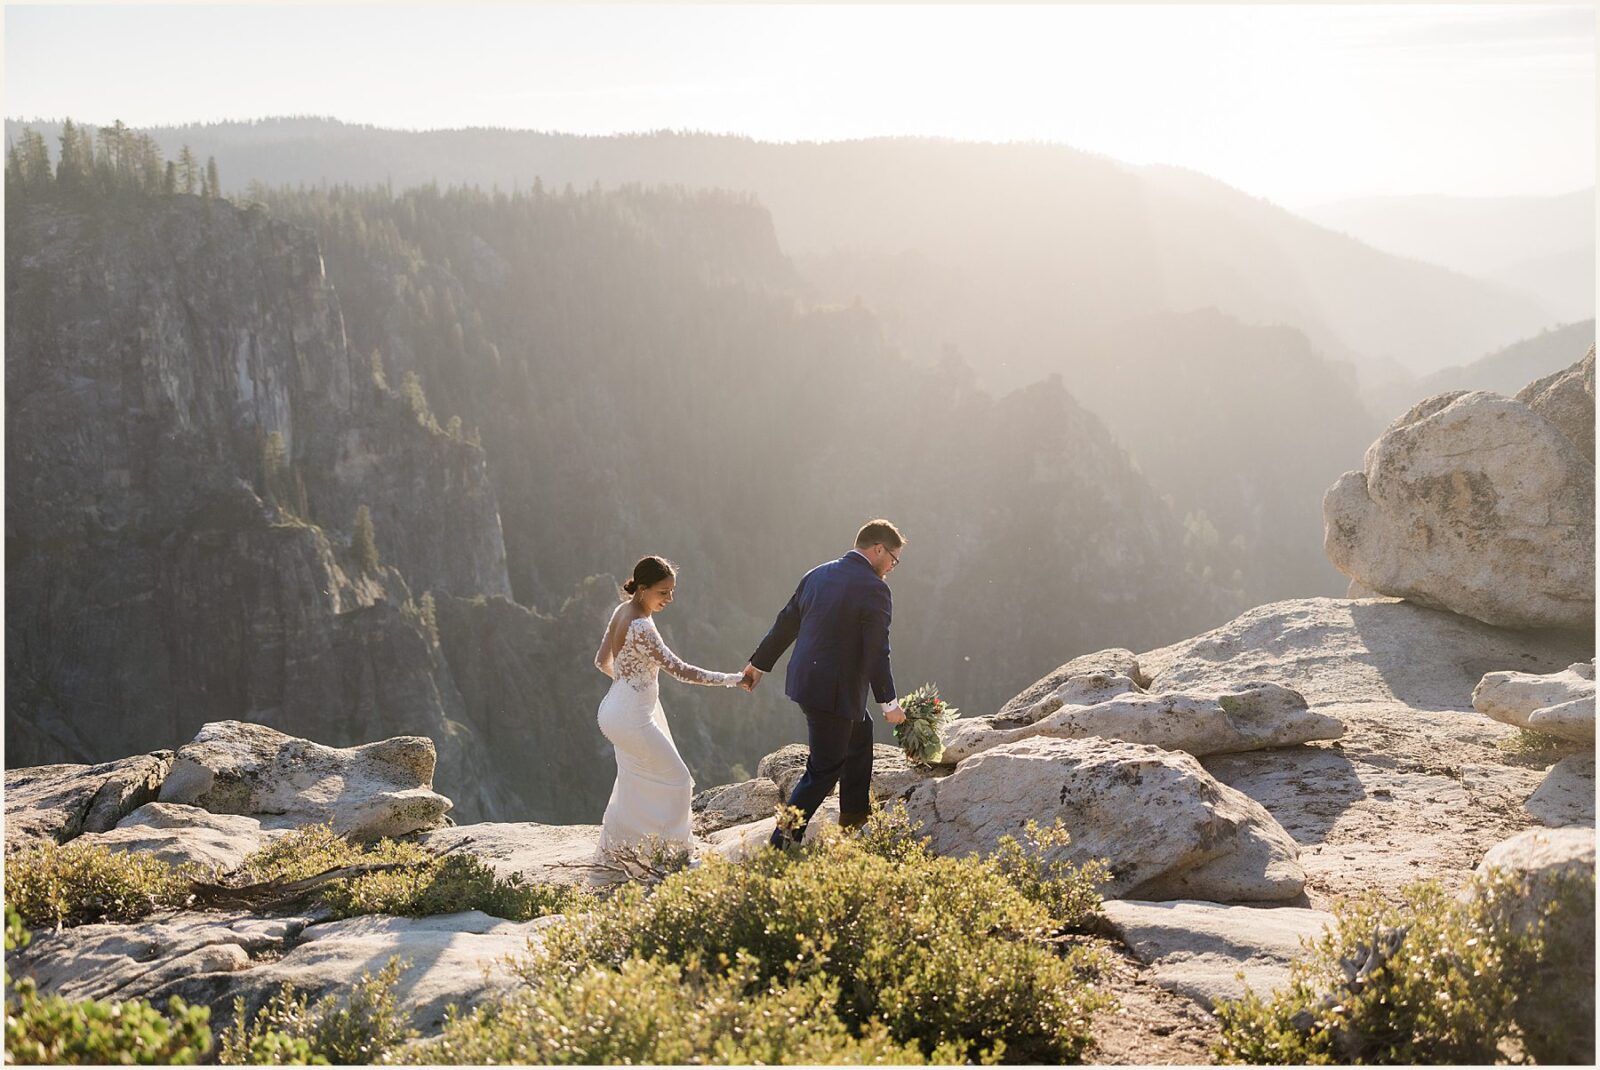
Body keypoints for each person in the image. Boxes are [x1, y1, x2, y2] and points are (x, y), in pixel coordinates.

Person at [742, 520, 908, 848]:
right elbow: (877, 649)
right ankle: (780, 844)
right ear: (878, 549)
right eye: (893, 559)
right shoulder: (875, 589)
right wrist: (889, 702)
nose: (892, 566)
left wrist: (758, 664)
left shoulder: (817, 574)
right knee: (824, 769)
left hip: (809, 681)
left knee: (860, 734)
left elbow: (786, 623)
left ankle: (853, 820)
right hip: (833, 691)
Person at [594, 555, 742, 856]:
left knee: (632, 787)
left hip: (613, 712)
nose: (670, 598)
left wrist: (630, 682)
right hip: (631, 718)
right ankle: (676, 856)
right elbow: (681, 671)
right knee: (678, 780)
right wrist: (733, 679)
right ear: (642, 588)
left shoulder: (621, 610)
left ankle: (626, 855)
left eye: (672, 591)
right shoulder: (641, 627)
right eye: (663, 592)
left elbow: (600, 662)